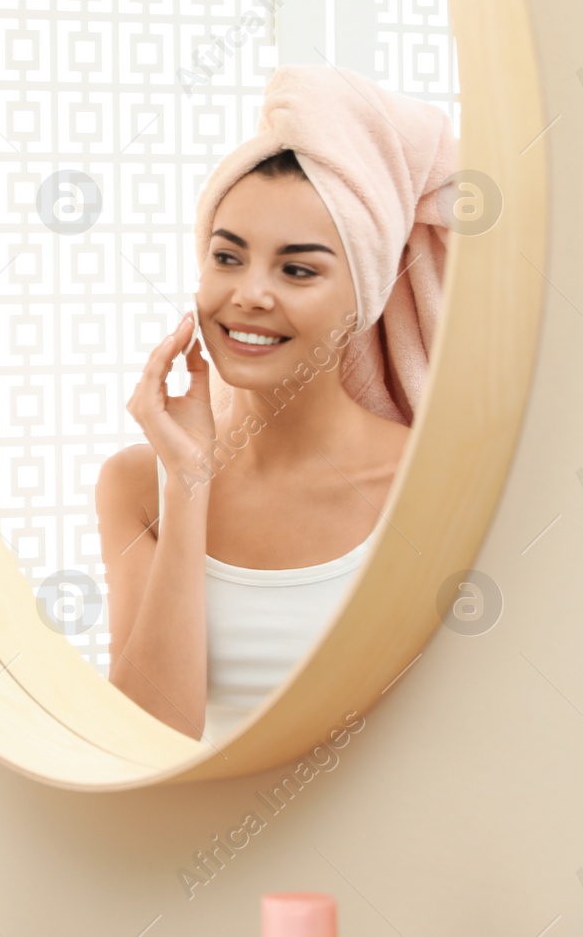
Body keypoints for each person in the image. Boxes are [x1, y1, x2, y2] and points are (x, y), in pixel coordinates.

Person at [96, 65, 457, 745]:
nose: (251, 294)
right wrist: (188, 486)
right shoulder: (136, 485)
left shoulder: (427, 481)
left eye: (298, 269)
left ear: (366, 295)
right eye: (227, 258)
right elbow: (149, 740)